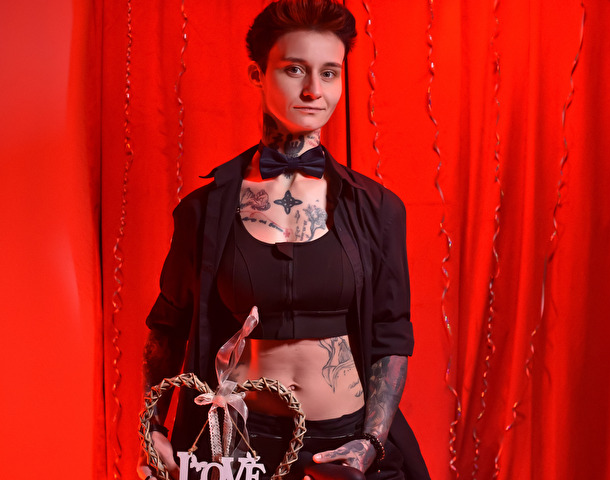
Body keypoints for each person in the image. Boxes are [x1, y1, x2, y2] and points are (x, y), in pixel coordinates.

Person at [138, 1, 430, 479]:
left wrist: (372, 441)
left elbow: (391, 335)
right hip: (239, 446)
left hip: (343, 443)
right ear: (257, 74)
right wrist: (153, 429)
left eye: (330, 73)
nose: (315, 90)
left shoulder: (377, 209)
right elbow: (167, 328)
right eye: (295, 69)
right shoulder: (204, 211)